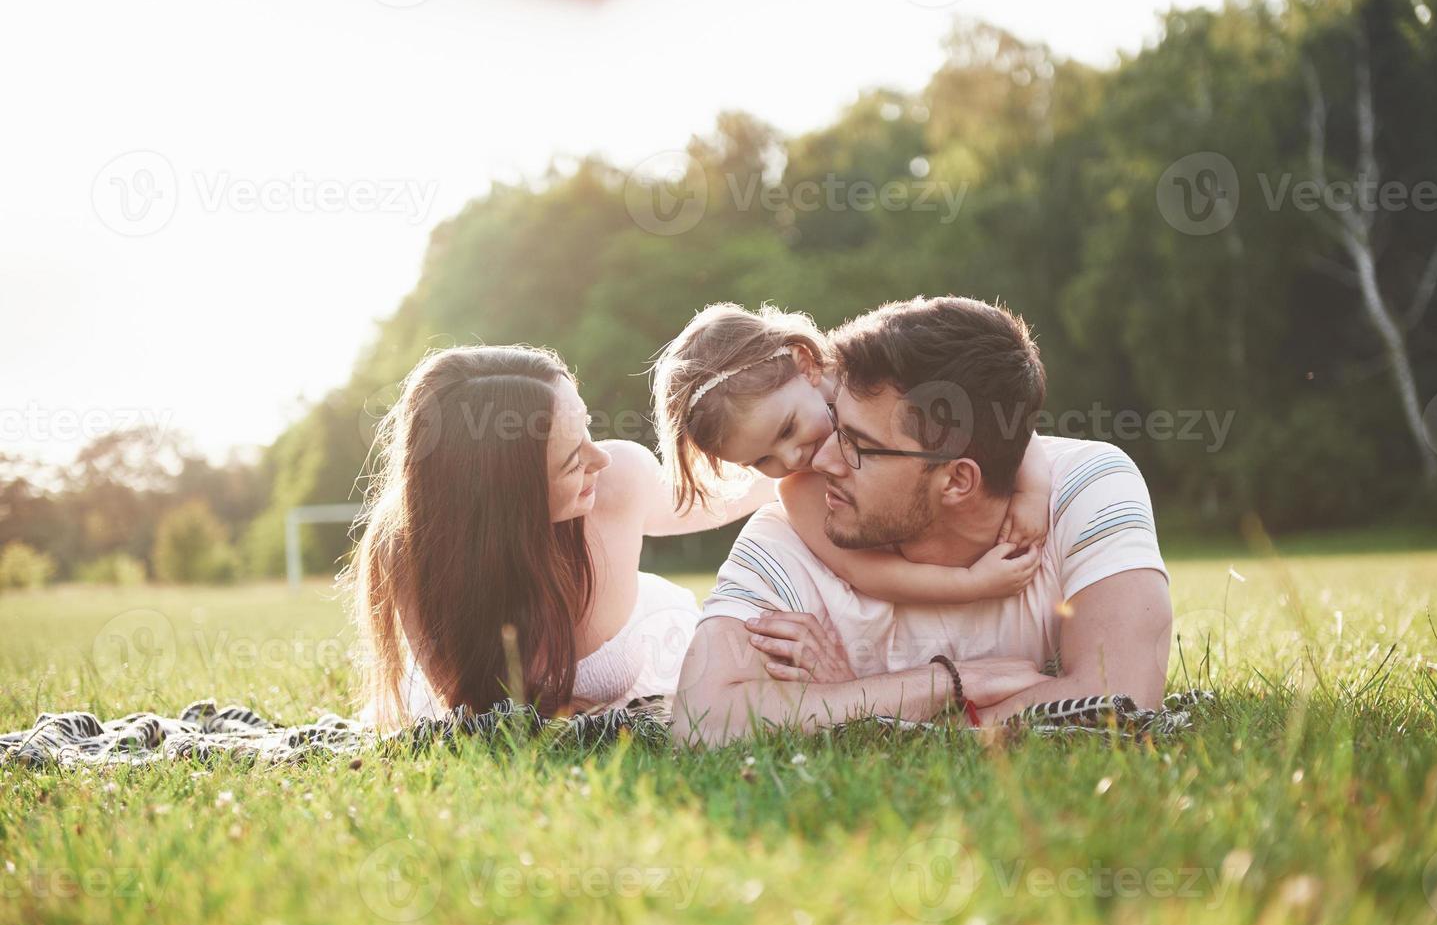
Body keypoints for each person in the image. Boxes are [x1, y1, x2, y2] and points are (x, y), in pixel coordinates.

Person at [671, 296, 1173, 746]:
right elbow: (700, 722)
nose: (817, 461)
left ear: (958, 479)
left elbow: (1120, 700)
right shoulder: (789, 533)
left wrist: (849, 712)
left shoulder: (1084, 488)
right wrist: (946, 685)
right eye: (762, 460)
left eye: (856, 443)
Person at [348, 344, 773, 727]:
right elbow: (475, 710)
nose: (599, 456)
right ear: (507, 499)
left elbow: (726, 495)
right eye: (572, 461)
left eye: (587, 427)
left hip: (664, 668)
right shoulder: (412, 545)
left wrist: (805, 448)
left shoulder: (618, 478)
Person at [652, 302, 1052, 614]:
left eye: (788, 429)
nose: (791, 459)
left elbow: (993, 418)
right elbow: (863, 571)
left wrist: (1033, 491)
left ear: (804, 363)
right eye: (761, 461)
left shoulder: (872, 375)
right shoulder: (797, 490)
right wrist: (972, 584)